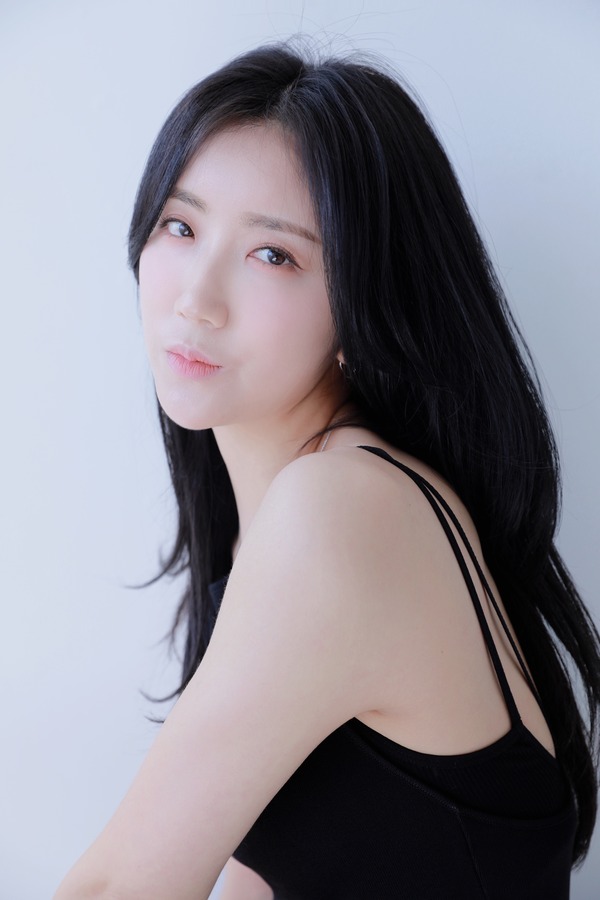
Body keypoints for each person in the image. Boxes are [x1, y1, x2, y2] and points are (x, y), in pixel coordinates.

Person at [54, 41, 600, 899]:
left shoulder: (343, 510)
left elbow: (120, 887)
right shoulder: (301, 514)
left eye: (274, 254)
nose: (196, 297)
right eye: (181, 227)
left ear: (361, 303)